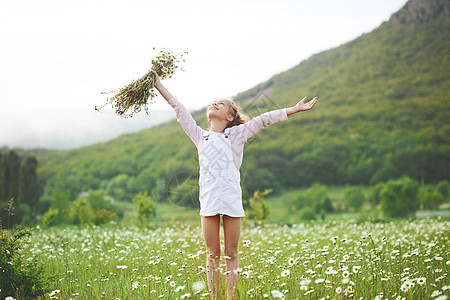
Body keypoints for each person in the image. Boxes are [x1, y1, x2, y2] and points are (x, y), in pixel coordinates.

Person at [151, 70, 317, 299]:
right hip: (208, 200)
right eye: (214, 102)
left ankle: (231, 297)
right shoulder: (200, 136)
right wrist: (158, 85)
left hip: (231, 199)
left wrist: (294, 109)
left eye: (222, 104)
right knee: (212, 253)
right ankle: (214, 297)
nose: (215, 103)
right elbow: (179, 109)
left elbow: (263, 119)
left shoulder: (237, 135)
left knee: (230, 253)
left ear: (229, 117)